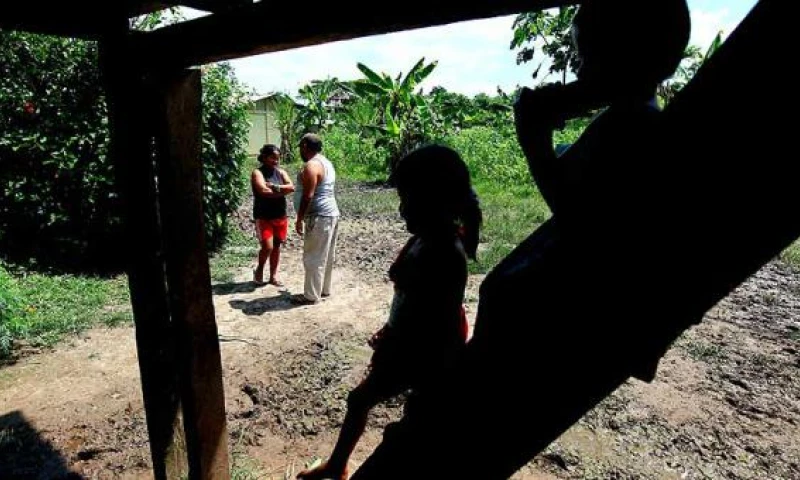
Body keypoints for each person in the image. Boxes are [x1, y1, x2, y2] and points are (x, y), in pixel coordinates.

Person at [296, 145, 481, 480]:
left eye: (408, 199)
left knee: (383, 407)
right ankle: (337, 465)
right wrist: (390, 328)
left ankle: (339, 466)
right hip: (410, 342)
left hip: (427, 351)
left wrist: (395, 343)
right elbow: (410, 301)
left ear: (435, 200)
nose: (401, 209)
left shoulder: (444, 253)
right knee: (364, 402)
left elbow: (431, 321)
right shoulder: (425, 240)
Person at [292, 133, 340, 305]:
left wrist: (299, 218)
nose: (300, 150)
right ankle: (323, 289)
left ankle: (311, 296)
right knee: (326, 255)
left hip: (318, 215)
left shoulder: (312, 165)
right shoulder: (326, 163)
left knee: (313, 256)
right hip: (330, 213)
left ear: (305, 146)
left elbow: (308, 195)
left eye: (300, 147)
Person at [251, 144, 294, 286]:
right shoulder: (257, 173)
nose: (275, 161)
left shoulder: (280, 172)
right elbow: (263, 191)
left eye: (277, 158)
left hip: (280, 214)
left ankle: (273, 276)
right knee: (267, 247)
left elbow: (291, 187)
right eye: (272, 158)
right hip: (263, 216)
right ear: (264, 157)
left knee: (276, 246)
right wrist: (282, 192)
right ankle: (259, 269)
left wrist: (275, 187)